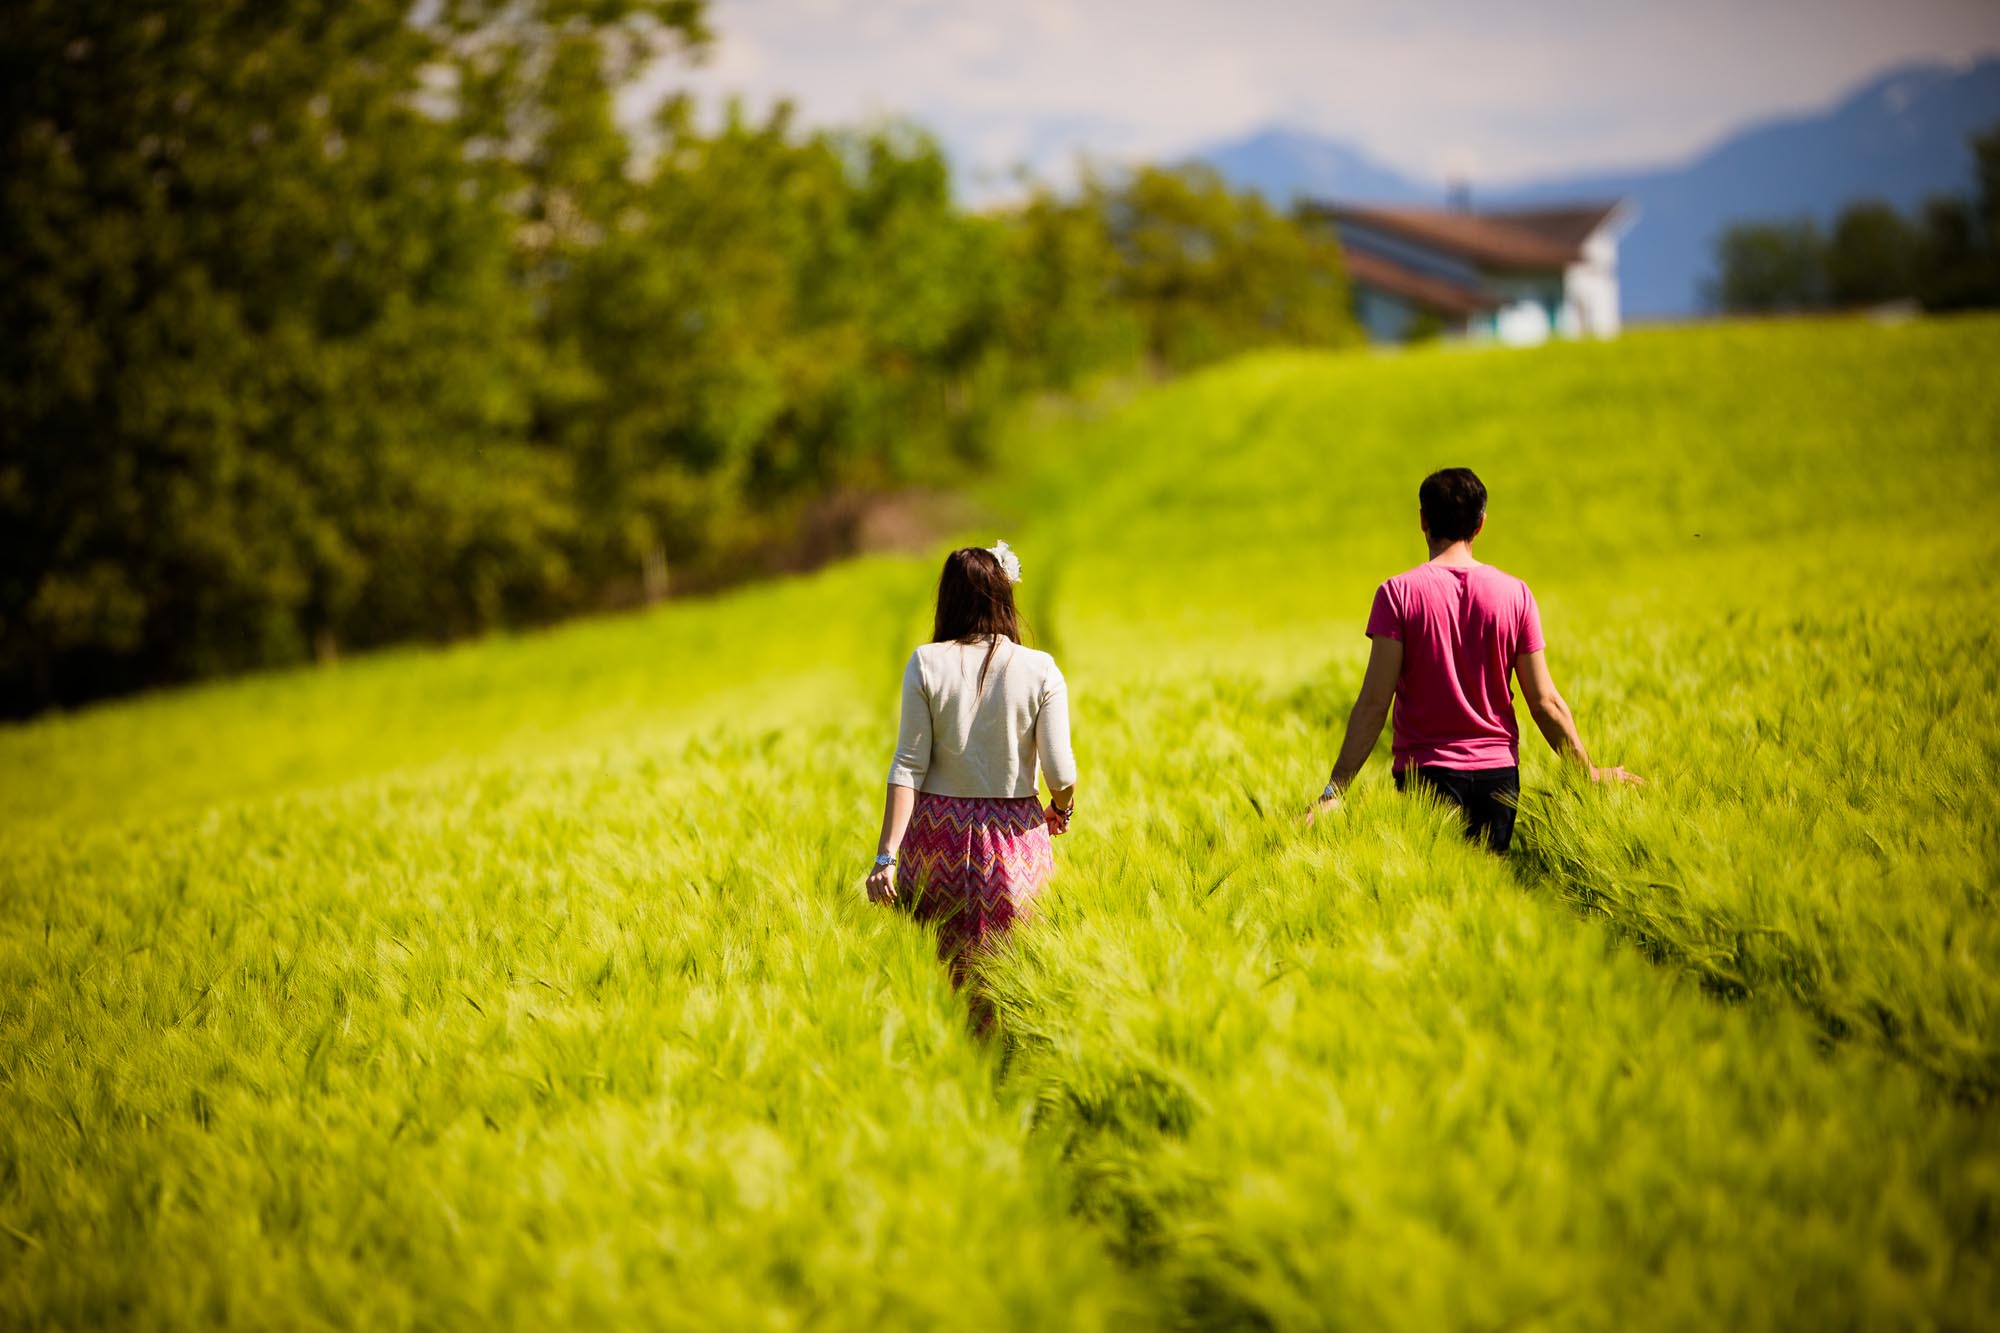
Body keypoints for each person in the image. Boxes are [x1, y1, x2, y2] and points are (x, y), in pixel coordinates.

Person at [1306, 468, 1638, 852]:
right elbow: (1544, 702)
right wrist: (1587, 773)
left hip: (1427, 779)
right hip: (1499, 779)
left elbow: (1375, 702)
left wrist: (1336, 790)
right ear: (1481, 524)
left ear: (1423, 520)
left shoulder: (1397, 594)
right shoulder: (1516, 594)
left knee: (1430, 901)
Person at [867, 542, 1077, 1014]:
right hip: (1015, 843)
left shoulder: (925, 662)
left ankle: (953, 1071)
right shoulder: (1040, 668)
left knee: (944, 990)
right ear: (1005, 594)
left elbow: (907, 765)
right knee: (1018, 979)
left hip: (936, 839)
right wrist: (1060, 809)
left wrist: (886, 857)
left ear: (949, 599)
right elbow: (1062, 771)